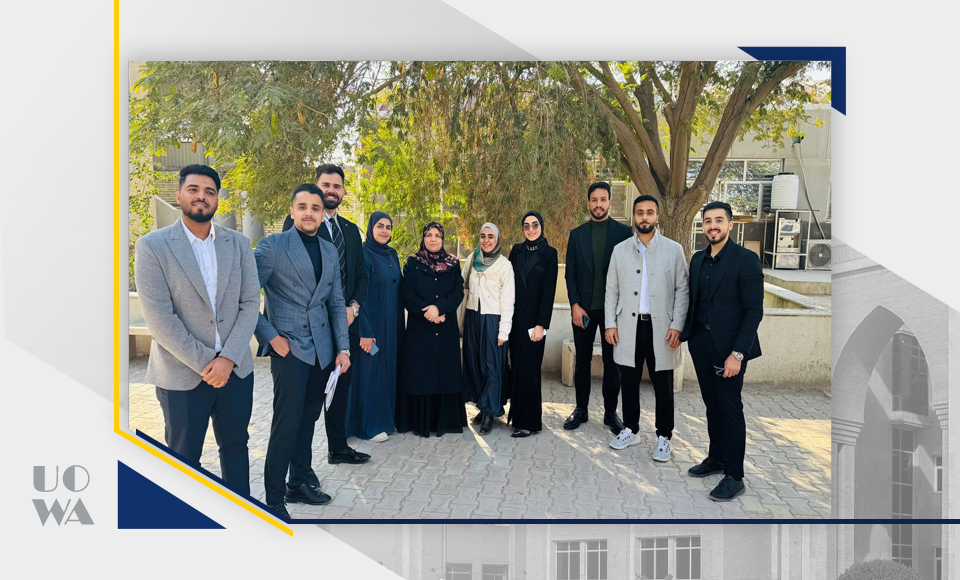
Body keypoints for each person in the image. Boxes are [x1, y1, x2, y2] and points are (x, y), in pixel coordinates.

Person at [134, 164, 259, 495]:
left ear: (217, 199)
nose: (201, 197)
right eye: (193, 189)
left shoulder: (239, 245)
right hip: (181, 373)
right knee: (184, 458)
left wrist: (228, 359)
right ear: (179, 195)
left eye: (209, 192)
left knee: (236, 448)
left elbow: (250, 304)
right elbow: (160, 318)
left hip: (235, 371)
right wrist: (208, 362)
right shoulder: (153, 246)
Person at [254, 183, 352, 519]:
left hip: (322, 350)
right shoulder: (272, 246)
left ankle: (298, 482)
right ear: (292, 211)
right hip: (290, 349)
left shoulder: (328, 249)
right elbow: (244, 296)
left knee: (308, 420)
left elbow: (336, 302)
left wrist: (343, 348)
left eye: (315, 208)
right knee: (286, 424)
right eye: (303, 207)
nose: (309, 213)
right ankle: (273, 499)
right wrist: (270, 336)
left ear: (323, 214)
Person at [285, 164, 370, 464]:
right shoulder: (300, 223)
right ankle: (301, 468)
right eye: (326, 185)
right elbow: (291, 277)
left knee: (341, 388)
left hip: (346, 322)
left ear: (344, 191)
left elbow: (361, 276)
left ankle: (338, 448)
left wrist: (353, 308)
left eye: (337, 186)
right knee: (309, 398)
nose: (331, 190)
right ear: (316, 187)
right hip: (312, 328)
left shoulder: (351, 230)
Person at [679, 201, 763, 502]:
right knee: (711, 405)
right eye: (707, 221)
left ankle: (734, 475)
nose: (712, 226)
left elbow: (754, 311)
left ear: (730, 225)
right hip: (701, 344)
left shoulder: (746, 259)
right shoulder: (698, 259)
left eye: (718, 220)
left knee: (729, 409)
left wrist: (738, 354)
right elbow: (693, 301)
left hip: (729, 350)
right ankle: (716, 458)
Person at [603, 195, 689, 460]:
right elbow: (611, 290)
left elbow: (682, 290)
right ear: (634, 217)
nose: (644, 217)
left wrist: (677, 325)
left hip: (662, 329)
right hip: (628, 327)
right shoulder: (620, 250)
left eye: (649, 212)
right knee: (628, 381)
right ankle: (631, 429)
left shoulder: (673, 250)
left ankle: (664, 436)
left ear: (657, 217)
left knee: (663, 384)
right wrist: (610, 324)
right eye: (640, 212)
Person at [563, 182, 633, 432]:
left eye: (603, 199)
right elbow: (570, 273)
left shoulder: (624, 234)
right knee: (582, 361)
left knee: (612, 364)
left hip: (613, 312)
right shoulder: (577, 234)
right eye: (594, 200)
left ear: (610, 202)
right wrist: (574, 304)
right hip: (583, 310)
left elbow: (630, 273)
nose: (599, 204)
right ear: (588, 203)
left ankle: (610, 413)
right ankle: (581, 409)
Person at [396, 223, 468, 437]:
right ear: (423, 238)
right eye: (429, 235)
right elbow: (407, 293)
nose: (433, 239)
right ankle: (420, 423)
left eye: (437, 235)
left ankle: (446, 422)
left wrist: (439, 308)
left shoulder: (453, 264)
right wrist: (427, 312)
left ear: (443, 239)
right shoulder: (413, 263)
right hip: (420, 330)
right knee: (422, 374)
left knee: (445, 373)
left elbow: (458, 292)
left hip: (446, 330)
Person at [345, 211, 403, 443]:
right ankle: (368, 426)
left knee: (386, 372)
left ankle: (385, 420)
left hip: (391, 326)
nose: (384, 231)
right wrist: (365, 332)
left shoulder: (392, 254)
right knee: (370, 373)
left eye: (388, 227)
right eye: (380, 226)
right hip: (371, 326)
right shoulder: (363, 254)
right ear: (370, 228)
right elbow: (360, 295)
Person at [506, 211, 558, 437]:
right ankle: (517, 417)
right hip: (515, 322)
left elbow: (549, 292)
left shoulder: (549, 253)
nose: (531, 229)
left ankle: (530, 423)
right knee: (516, 369)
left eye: (535, 225)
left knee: (529, 371)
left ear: (541, 226)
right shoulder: (516, 251)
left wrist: (541, 325)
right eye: (526, 226)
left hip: (534, 325)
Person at [462, 223, 516, 436]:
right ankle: (483, 405)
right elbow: (462, 285)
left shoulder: (504, 265)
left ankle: (490, 413)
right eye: (483, 236)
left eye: (490, 236)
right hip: (472, 317)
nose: (486, 240)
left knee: (491, 365)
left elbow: (508, 300)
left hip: (493, 320)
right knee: (475, 363)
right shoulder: (471, 259)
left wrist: (504, 332)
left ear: (497, 239)